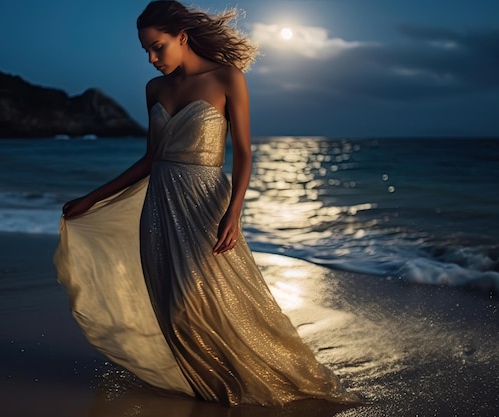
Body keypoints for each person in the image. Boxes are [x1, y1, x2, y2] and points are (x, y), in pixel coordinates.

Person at [55, 0, 359, 407]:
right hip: (159, 209)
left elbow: (245, 154)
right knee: (170, 308)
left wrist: (234, 215)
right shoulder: (155, 90)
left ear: (182, 37)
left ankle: (241, 381)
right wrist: (91, 199)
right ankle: (208, 392)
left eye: (158, 46)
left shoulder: (227, 78)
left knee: (195, 304)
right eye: (145, 50)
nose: (151, 58)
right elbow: (150, 159)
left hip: (204, 208)